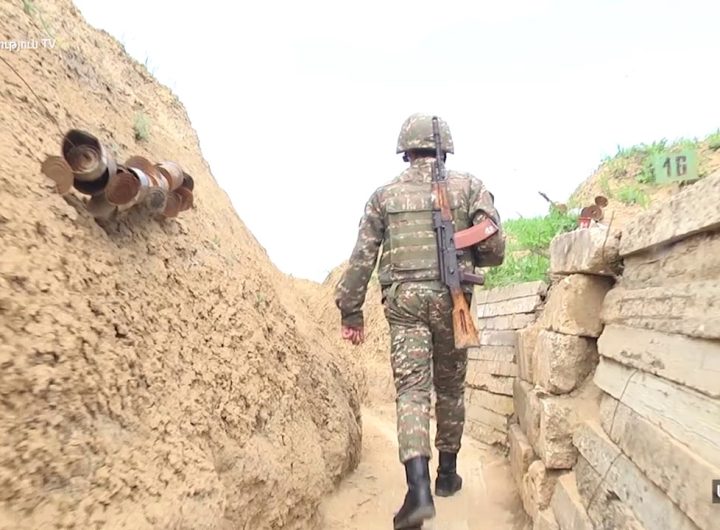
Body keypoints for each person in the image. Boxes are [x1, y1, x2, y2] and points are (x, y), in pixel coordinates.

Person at [335, 113, 506, 529]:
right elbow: (494, 249)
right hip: (453, 301)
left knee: (412, 393)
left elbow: (362, 258)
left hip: (405, 304)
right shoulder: (471, 186)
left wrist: (351, 310)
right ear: (445, 148)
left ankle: (418, 492)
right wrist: (468, 251)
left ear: (405, 151)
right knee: (450, 389)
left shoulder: (384, 197)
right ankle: (447, 475)